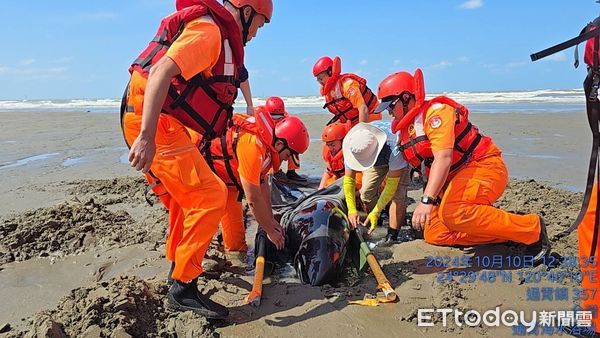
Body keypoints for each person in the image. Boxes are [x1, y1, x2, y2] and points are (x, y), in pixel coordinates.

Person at [121, 0, 273, 318]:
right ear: (246, 12)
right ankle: (183, 287)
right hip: (154, 121)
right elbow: (161, 71)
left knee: (186, 199)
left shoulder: (220, 35)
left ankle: (178, 268)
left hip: (160, 119)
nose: (258, 32)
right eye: (261, 22)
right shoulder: (210, 33)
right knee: (211, 196)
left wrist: (247, 104)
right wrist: (146, 137)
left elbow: (236, 75)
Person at [374, 69, 551, 264]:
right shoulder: (407, 131)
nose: (388, 112)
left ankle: (532, 228)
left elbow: (444, 157)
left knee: (453, 212)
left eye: (390, 106)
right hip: (455, 181)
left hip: (484, 167)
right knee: (435, 233)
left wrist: (426, 201)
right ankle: (510, 231)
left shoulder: (436, 113)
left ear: (406, 97)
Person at [201, 108, 310, 255]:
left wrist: (270, 220)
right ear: (279, 144)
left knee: (236, 245)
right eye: (288, 154)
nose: (286, 159)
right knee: (205, 216)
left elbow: (263, 184)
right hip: (201, 168)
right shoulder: (253, 145)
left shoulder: (268, 147)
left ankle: (232, 251)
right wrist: (270, 231)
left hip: (227, 179)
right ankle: (189, 267)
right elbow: (253, 198)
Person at [342, 123, 411, 243]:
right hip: (374, 159)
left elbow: (392, 186)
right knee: (366, 194)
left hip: (397, 156)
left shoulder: (395, 146)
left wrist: (376, 211)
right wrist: (351, 210)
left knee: (398, 197)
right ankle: (376, 221)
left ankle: (393, 234)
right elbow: (349, 181)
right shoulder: (353, 145)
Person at [312, 56, 381, 125]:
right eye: (318, 80)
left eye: (320, 79)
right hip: (351, 122)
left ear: (330, 72)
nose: (319, 82)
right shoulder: (330, 90)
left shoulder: (347, 85)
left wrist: (361, 131)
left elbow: (363, 109)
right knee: (330, 132)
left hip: (369, 117)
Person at [265, 96, 307, 182]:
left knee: (292, 145)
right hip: (270, 136)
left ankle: (291, 171)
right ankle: (273, 171)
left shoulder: (286, 118)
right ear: (268, 114)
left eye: (279, 116)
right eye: (273, 116)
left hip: (281, 137)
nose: (276, 119)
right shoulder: (264, 120)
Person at [319, 120, 360, 189]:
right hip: (342, 179)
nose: (330, 148)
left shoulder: (353, 151)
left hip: (356, 178)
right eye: (328, 145)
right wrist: (320, 189)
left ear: (343, 140)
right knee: (328, 184)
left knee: (358, 182)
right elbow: (328, 172)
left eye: (332, 145)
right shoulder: (329, 153)